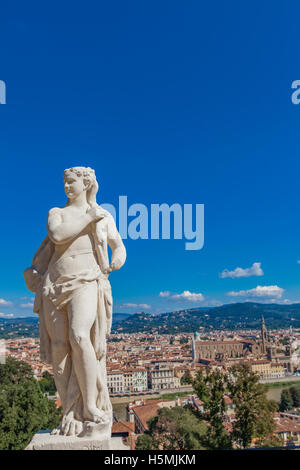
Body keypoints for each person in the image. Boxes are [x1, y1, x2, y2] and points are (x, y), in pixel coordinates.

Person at [24, 166, 126, 436]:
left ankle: (90, 406)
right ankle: (69, 409)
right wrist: (89, 215)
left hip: (87, 280)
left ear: (86, 183)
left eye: (72, 182)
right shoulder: (56, 213)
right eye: (65, 182)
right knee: (59, 347)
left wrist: (116, 260)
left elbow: (119, 245)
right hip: (53, 285)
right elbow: (58, 235)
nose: (67, 187)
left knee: (81, 337)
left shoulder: (103, 217)